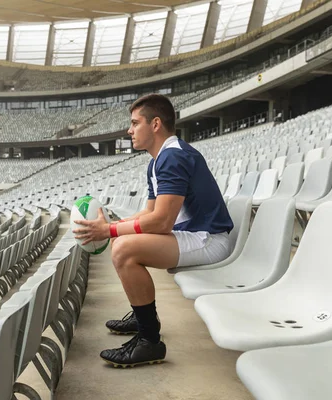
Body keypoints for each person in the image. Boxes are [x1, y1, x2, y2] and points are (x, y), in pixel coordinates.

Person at [72, 94, 233, 367]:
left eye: (135, 123)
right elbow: (149, 213)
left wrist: (110, 229)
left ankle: (150, 341)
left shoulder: (173, 157)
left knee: (123, 248)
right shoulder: (158, 160)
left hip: (209, 240)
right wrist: (116, 229)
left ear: (155, 124)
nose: (129, 130)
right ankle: (144, 317)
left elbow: (161, 222)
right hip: (194, 234)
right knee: (121, 242)